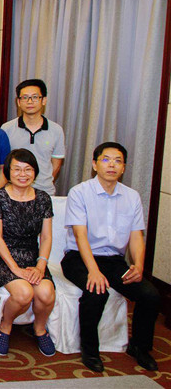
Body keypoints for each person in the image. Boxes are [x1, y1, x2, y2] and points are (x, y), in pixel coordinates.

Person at [61, 142, 160, 373]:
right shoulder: (80, 192)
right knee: (96, 291)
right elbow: (80, 236)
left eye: (118, 161)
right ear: (95, 165)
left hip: (114, 260)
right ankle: (89, 350)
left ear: (124, 167)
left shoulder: (132, 197)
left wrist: (138, 266)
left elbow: (136, 236)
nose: (112, 165)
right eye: (106, 159)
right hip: (79, 257)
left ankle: (139, 347)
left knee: (150, 295)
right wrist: (93, 271)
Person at [0, 149, 55, 357]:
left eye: (28, 169)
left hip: (32, 257)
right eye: (16, 169)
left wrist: (40, 265)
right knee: (24, 293)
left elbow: (46, 237)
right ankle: (5, 326)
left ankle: (40, 329)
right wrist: (15, 269)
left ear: (35, 172)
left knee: (46, 293)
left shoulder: (43, 198)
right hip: (2, 257)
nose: (22, 174)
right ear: (8, 172)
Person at [1, 79, 65, 195]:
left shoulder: (56, 130)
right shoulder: (7, 128)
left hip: (45, 192)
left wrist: (42, 182)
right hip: (14, 193)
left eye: (35, 97)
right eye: (25, 97)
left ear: (43, 100)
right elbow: (3, 164)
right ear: (18, 102)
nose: (29, 102)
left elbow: (56, 165)